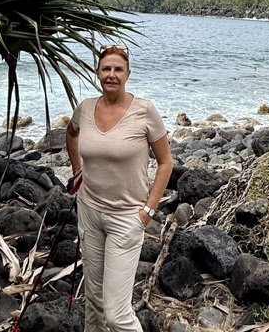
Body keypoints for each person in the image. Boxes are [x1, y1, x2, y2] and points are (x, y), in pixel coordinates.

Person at [66, 44, 173, 332]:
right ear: (97, 73)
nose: (111, 74)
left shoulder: (144, 110)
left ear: (127, 74)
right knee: (94, 302)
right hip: (89, 212)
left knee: (116, 314)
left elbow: (165, 162)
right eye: (106, 69)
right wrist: (78, 171)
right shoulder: (86, 108)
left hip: (126, 218)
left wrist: (148, 210)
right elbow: (72, 133)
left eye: (118, 69)